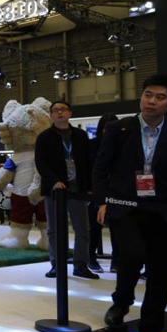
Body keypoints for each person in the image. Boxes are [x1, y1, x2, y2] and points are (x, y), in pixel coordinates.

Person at [94, 74, 167, 332]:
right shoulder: (120, 128)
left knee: (159, 271)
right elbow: (101, 167)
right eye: (147, 95)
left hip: (163, 210)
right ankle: (121, 301)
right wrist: (102, 201)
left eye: (160, 97)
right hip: (125, 205)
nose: (151, 101)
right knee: (131, 254)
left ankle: (150, 331)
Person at [35, 100, 98, 279]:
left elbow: (89, 162)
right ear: (51, 115)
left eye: (63, 109)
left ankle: (81, 265)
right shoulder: (44, 137)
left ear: (70, 113)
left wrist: (90, 187)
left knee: (82, 229)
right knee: (54, 230)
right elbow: (41, 163)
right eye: (55, 110)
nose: (59, 113)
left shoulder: (80, 135)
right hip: (55, 191)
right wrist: (54, 181)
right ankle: (57, 264)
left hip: (78, 189)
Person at [88, 113, 119, 273]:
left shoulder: (122, 144)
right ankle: (91, 258)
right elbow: (89, 168)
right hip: (97, 190)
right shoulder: (93, 145)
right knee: (94, 227)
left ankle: (116, 260)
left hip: (116, 191)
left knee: (117, 228)